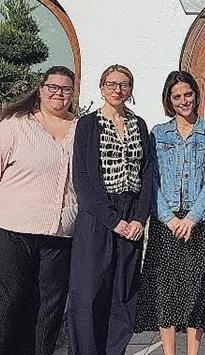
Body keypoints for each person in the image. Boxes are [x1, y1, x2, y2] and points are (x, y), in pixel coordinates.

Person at [0, 65, 79, 355]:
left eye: (65, 89)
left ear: (72, 93)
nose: (58, 93)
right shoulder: (16, 125)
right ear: (40, 90)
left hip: (60, 237)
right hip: (10, 232)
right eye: (52, 87)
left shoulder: (81, 129)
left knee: (46, 313)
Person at [134, 70, 205, 355]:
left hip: (198, 221)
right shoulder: (158, 134)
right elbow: (152, 179)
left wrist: (192, 218)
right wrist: (170, 218)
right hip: (166, 221)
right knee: (166, 291)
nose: (183, 101)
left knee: (197, 290)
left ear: (196, 95)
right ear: (169, 101)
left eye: (187, 94)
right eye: (177, 97)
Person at [68, 65, 154, 355]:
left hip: (131, 214)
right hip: (98, 215)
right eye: (112, 84)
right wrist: (113, 220)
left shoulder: (139, 124)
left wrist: (140, 218)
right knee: (89, 291)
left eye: (124, 84)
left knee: (123, 291)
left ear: (131, 89)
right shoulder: (87, 124)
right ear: (102, 87)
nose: (118, 90)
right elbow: (82, 177)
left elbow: (147, 173)